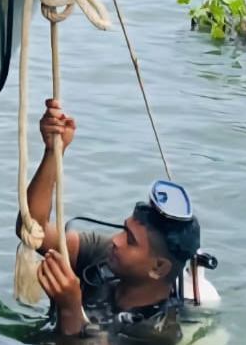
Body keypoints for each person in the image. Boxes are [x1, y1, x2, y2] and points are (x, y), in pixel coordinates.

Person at [21, 98, 205, 344]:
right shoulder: (106, 255)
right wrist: (54, 151)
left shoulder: (158, 333)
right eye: (123, 230)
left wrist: (70, 310)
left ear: (158, 268)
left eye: (130, 240)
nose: (116, 241)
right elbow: (34, 230)